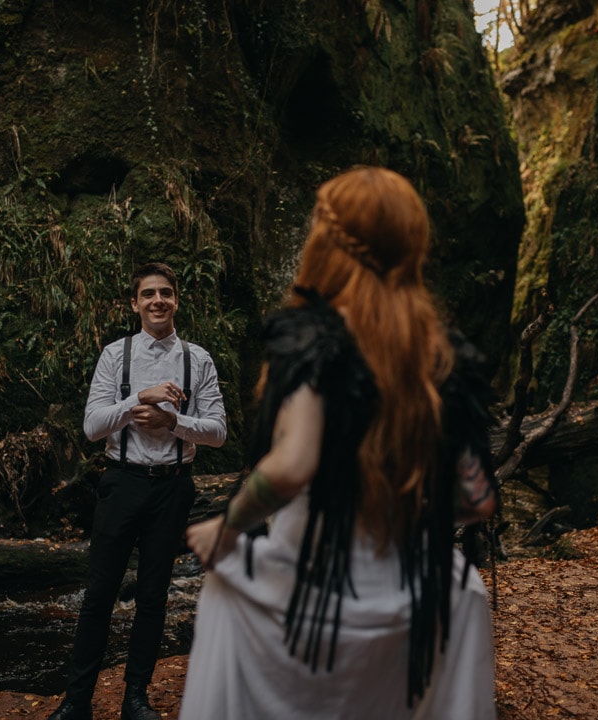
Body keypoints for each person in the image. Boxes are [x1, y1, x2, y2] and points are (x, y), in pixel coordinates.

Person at [182, 167, 499, 719]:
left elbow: (291, 466)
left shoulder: (314, 339)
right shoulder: (439, 358)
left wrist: (227, 525)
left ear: (327, 241)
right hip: (410, 605)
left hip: (308, 604)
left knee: (227, 586)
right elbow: (476, 501)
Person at [47, 262, 227, 720]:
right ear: (135, 303)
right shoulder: (116, 355)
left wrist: (174, 422)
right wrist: (138, 399)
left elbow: (218, 432)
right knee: (99, 593)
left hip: (173, 487)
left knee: (153, 596)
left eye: (166, 292)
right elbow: (91, 428)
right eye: (148, 294)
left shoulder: (198, 359)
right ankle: (77, 701)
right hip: (121, 482)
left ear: (177, 300)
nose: (158, 301)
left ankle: (135, 699)